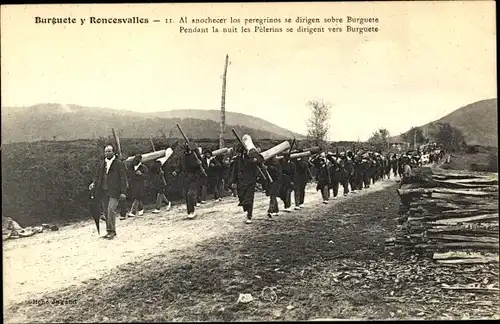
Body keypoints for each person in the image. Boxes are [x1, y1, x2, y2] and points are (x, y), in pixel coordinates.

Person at [89, 145, 127, 239]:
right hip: (104, 191)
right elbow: (98, 177)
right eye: (106, 151)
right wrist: (93, 184)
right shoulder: (102, 165)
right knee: (106, 212)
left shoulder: (119, 164)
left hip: (115, 192)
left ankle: (112, 231)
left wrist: (123, 192)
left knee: (111, 210)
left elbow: (123, 178)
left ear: (113, 152)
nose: (107, 153)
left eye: (109, 151)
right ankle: (109, 231)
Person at [229, 144, 259, 224]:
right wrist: (233, 181)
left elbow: (259, 162)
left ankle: (249, 216)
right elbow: (234, 171)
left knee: (249, 198)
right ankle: (246, 207)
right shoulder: (238, 159)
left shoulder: (252, 157)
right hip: (241, 181)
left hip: (250, 181)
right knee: (242, 197)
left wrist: (255, 160)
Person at [173, 143, 204, 219]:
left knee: (190, 194)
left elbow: (201, 165)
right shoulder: (182, 157)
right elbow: (179, 167)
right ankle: (190, 210)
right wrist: (176, 172)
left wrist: (199, 163)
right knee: (187, 195)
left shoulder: (195, 156)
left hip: (194, 177)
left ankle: (192, 211)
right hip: (185, 178)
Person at [125, 154, 149, 219]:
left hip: (140, 184)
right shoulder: (131, 167)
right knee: (137, 197)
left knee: (137, 197)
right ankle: (141, 209)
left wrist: (141, 174)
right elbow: (129, 174)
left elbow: (147, 176)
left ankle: (133, 212)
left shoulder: (143, 167)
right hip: (133, 184)